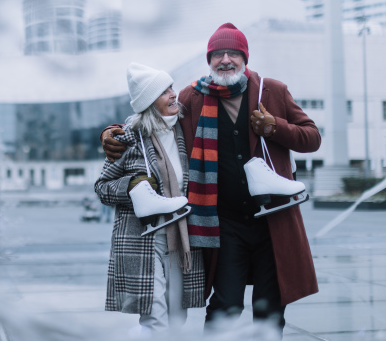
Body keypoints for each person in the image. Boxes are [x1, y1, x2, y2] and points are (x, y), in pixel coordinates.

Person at [101, 23, 321, 335]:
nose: (225, 60)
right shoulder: (193, 96)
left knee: (271, 306)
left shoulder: (272, 91)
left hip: (274, 219)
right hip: (224, 223)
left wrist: (275, 127)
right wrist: (112, 132)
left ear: (245, 58)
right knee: (226, 304)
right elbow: (152, 116)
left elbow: (312, 138)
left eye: (233, 53)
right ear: (209, 60)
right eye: (217, 54)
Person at [94, 62, 205, 334]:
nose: (172, 94)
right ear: (148, 102)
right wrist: (133, 185)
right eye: (163, 91)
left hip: (181, 236)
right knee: (155, 318)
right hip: (143, 238)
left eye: (171, 87)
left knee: (178, 318)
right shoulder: (130, 138)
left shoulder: (185, 132)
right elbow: (102, 187)